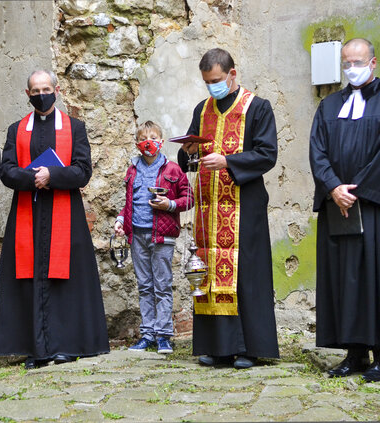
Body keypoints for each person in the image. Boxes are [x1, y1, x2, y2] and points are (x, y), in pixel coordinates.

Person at [309, 38, 380, 382]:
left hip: (377, 207)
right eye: (346, 63)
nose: (352, 68)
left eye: (358, 62)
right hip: (339, 207)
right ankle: (354, 354)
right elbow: (317, 151)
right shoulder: (328, 107)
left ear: (373, 62)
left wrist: (356, 190)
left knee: (379, 279)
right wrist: (333, 187)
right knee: (345, 279)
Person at [0, 70, 109, 369]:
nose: (41, 94)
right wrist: (33, 178)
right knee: (30, 276)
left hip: (65, 212)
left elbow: (83, 171)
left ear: (56, 89)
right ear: (27, 93)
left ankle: (65, 346)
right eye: (35, 90)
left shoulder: (75, 127)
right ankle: (36, 349)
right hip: (27, 213)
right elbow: (6, 171)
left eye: (46, 88)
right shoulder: (16, 129)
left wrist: (52, 175)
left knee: (65, 280)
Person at [178, 48, 279, 369]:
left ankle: (249, 348)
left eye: (217, 81)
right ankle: (218, 347)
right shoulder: (202, 108)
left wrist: (228, 161)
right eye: (208, 82)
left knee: (246, 276)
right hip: (208, 210)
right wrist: (189, 151)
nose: (212, 87)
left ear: (233, 74)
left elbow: (267, 154)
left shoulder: (258, 108)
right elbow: (188, 163)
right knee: (208, 276)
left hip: (243, 207)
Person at [114, 121, 193, 354]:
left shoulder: (172, 170)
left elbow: (189, 199)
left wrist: (169, 204)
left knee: (162, 286)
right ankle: (148, 334)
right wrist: (120, 220)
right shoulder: (133, 169)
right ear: (138, 143)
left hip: (162, 236)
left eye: (153, 137)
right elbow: (129, 203)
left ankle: (164, 336)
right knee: (145, 286)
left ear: (161, 140)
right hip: (137, 234)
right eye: (144, 138)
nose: (149, 142)